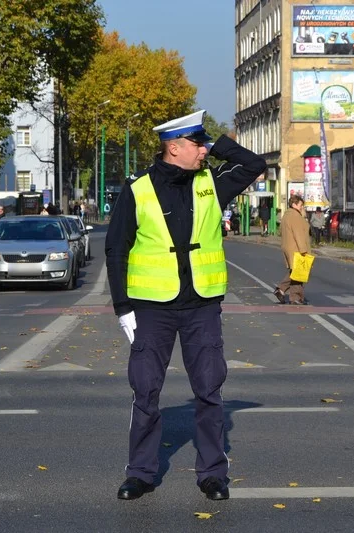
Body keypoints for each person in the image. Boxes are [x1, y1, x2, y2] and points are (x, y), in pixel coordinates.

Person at [106, 110, 266, 502]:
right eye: (198, 144)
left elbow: (254, 164)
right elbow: (116, 249)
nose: (205, 151)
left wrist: (216, 144)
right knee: (145, 393)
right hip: (152, 308)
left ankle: (212, 474)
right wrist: (123, 308)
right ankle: (140, 473)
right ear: (174, 148)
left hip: (201, 306)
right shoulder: (138, 190)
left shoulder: (210, 183)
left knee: (210, 391)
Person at [273, 194, 311, 305]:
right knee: (299, 272)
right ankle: (294, 297)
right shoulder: (295, 216)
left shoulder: (286, 215)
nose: (302, 207)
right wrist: (303, 250)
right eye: (301, 205)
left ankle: (286, 293)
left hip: (288, 246)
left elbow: (281, 232)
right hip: (297, 248)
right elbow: (299, 234)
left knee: (296, 272)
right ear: (294, 204)